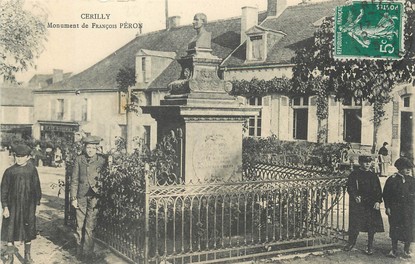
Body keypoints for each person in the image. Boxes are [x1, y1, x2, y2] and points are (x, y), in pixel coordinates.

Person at [1, 144, 42, 264]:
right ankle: (10, 256)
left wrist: (37, 205)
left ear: (28, 157)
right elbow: (3, 190)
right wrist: (5, 207)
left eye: (22, 156)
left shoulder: (32, 170)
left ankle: (27, 256)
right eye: (17, 156)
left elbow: (36, 188)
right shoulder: (9, 171)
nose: (19, 159)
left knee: (28, 228)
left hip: (28, 206)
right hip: (12, 206)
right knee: (10, 228)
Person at [70, 135, 106, 260]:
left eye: (93, 147)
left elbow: (105, 178)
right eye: (88, 147)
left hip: (95, 196)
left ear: (97, 148)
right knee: (80, 225)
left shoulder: (102, 161)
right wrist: (73, 198)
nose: (90, 150)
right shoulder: (79, 160)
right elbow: (74, 180)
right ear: (84, 148)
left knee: (90, 225)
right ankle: (79, 251)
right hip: (81, 196)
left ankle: (87, 253)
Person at [344, 155, 384, 255]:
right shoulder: (354, 174)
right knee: (355, 223)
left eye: (369, 162)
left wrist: (378, 201)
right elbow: (350, 187)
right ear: (360, 163)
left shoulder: (373, 175)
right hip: (359, 203)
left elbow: (378, 190)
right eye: (365, 162)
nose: (367, 164)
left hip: (371, 203)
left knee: (371, 225)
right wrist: (355, 196)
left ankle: (370, 246)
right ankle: (351, 243)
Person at [383, 157, 415, 258]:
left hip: (409, 209)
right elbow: (386, 195)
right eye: (406, 168)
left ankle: (407, 249)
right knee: (395, 228)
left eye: (410, 168)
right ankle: (394, 249)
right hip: (395, 209)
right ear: (399, 168)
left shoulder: (412, 180)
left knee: (409, 228)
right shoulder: (392, 180)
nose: (408, 170)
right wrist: (387, 207)